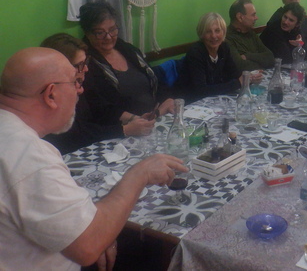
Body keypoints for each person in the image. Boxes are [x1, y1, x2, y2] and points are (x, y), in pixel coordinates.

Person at [0, 47, 187, 270]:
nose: (80, 91)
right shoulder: (29, 156)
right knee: (155, 250)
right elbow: (88, 246)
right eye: (75, 83)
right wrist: (141, 173)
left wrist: (99, 228)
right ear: (51, 95)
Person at [79, 1, 173, 137]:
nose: (108, 37)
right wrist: (134, 119)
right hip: (122, 130)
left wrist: (166, 100)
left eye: (112, 29)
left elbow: (155, 80)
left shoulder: (128, 50)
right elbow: (99, 109)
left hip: (154, 118)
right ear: (87, 33)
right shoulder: (86, 63)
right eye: (100, 33)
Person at [41, 33, 122, 154]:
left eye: (85, 62)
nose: (86, 69)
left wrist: (131, 118)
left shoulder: (81, 80)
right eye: (80, 65)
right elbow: (74, 136)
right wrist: (122, 130)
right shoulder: (50, 95)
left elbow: (100, 108)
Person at [175, 12, 250, 104]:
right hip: (190, 103)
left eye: (217, 31)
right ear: (202, 34)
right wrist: (237, 83)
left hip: (214, 100)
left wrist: (248, 78)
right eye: (208, 31)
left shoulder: (224, 48)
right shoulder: (195, 53)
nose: (213, 36)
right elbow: (201, 90)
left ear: (223, 32)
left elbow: (234, 74)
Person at [226, 0, 275, 71]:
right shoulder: (226, 38)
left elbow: (271, 58)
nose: (256, 18)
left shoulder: (250, 33)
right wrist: (261, 62)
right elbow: (240, 66)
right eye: (253, 15)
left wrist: (248, 56)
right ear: (240, 17)